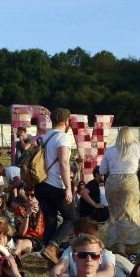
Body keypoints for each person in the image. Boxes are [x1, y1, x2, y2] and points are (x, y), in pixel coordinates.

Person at [34, 108, 79, 265]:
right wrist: (68, 187)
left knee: (50, 219)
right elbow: (64, 163)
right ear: (67, 122)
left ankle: (49, 258)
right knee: (71, 218)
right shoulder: (63, 137)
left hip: (40, 185)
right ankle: (52, 248)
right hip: (55, 185)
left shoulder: (45, 136)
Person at [98, 127, 140, 255]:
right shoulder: (137, 147)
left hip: (112, 184)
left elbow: (102, 171)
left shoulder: (110, 150)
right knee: (130, 213)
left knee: (115, 214)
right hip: (130, 183)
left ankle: (118, 246)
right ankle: (130, 244)